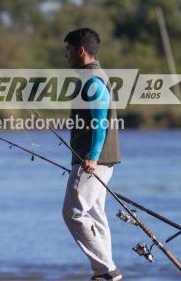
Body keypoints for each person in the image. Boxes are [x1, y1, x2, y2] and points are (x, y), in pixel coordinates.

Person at [61, 28, 123, 281]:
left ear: (81, 50)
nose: (65, 55)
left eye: (67, 50)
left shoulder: (92, 79)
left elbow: (100, 120)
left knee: (73, 212)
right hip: (99, 161)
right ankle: (106, 272)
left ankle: (106, 270)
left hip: (92, 161)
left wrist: (92, 155)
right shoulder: (93, 76)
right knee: (95, 214)